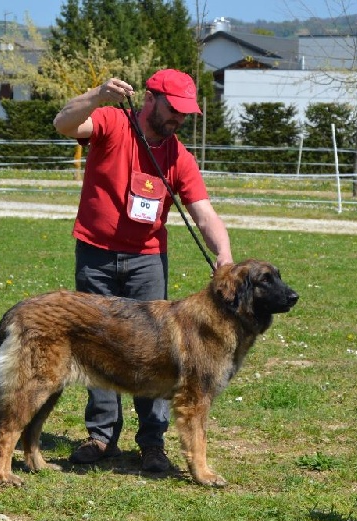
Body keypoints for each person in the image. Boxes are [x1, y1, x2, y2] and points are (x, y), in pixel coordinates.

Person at [52, 68, 233, 473]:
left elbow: (203, 213)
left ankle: (153, 443)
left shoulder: (178, 155)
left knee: (154, 353)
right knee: (98, 345)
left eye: (186, 113)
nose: (180, 119)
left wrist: (224, 255)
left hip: (146, 261)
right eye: (175, 110)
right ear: (151, 99)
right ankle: (101, 437)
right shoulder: (111, 122)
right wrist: (96, 94)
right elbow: (63, 123)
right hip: (95, 254)